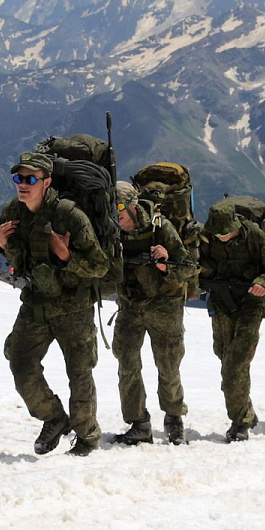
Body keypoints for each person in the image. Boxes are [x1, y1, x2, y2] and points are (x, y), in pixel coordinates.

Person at [0, 152, 109, 455]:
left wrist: (66, 256)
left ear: (46, 182)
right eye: (19, 178)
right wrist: (3, 244)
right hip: (36, 304)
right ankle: (54, 418)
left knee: (80, 373)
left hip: (73, 307)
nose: (23, 184)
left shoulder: (69, 215)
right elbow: (13, 252)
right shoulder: (11, 211)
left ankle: (87, 438)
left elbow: (100, 265)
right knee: (20, 362)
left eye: (30, 179)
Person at [109, 183, 194, 446]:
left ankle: (174, 417)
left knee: (168, 366)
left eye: (119, 209)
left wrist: (165, 262)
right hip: (130, 305)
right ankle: (139, 423)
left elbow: (188, 268)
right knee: (126, 363)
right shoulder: (112, 232)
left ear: (133, 206)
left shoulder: (160, 227)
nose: (115, 215)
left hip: (164, 306)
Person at [196, 202, 265, 442]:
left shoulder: (254, 235)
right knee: (224, 357)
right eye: (217, 233)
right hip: (221, 302)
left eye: (225, 233)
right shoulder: (207, 238)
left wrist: (263, 283)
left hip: (251, 304)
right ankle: (246, 411)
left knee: (236, 364)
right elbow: (197, 266)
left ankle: (240, 423)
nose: (221, 237)